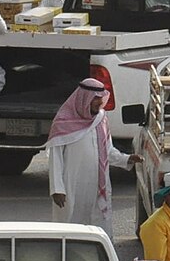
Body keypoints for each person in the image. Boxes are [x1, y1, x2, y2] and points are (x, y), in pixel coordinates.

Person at [47, 77, 133, 237]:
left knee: (97, 227)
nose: (99, 103)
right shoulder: (63, 122)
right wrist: (57, 188)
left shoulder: (101, 120)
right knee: (71, 229)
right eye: (95, 99)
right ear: (84, 98)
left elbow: (108, 151)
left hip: (97, 186)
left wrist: (127, 159)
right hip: (72, 186)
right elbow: (55, 159)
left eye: (101, 99)